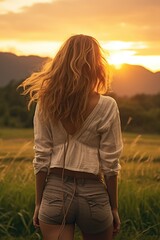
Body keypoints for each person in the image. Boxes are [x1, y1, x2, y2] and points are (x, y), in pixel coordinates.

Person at [19, 34, 123, 240]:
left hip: (55, 193)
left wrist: (39, 203)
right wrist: (114, 208)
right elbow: (111, 165)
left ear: (61, 62)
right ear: (96, 65)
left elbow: (41, 158)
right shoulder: (108, 105)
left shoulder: (46, 102)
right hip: (94, 196)